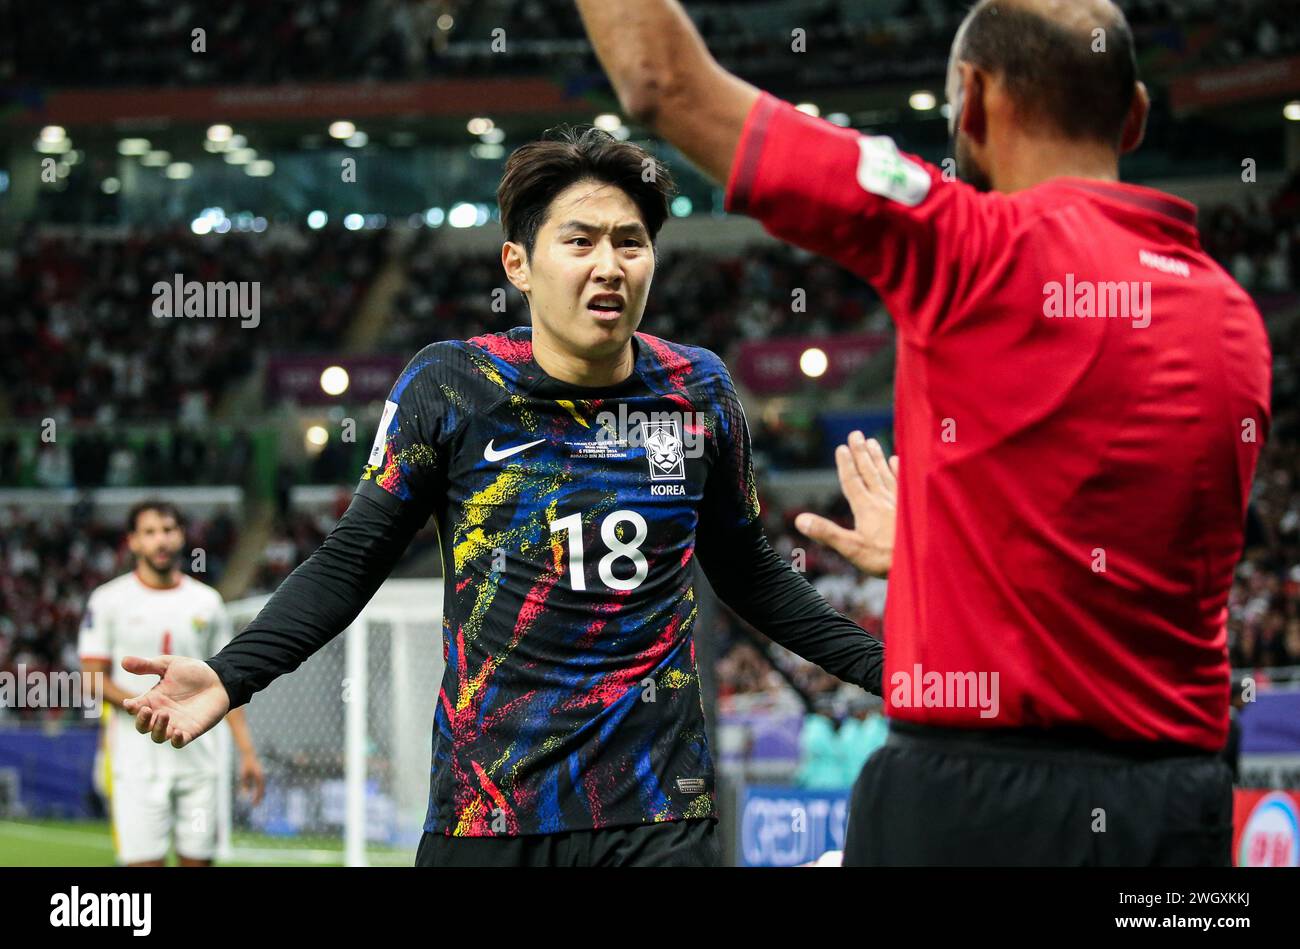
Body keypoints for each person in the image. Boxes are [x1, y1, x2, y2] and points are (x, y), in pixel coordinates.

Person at [577, 0, 1272, 865]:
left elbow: (664, 83)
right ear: (1132, 113)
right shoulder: (1233, 316)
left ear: (972, 104)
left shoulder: (962, 241)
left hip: (972, 802)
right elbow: (1117, 566)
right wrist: (942, 555)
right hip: (1182, 810)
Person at [119, 128, 884, 867]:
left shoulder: (699, 391)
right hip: (488, 809)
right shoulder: (450, 386)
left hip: (656, 810)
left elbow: (749, 569)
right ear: (518, 263)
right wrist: (229, 674)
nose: (610, 265)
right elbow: (353, 559)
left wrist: (890, 669)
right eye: (580, 242)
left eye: (631, 242)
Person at [78, 500, 264, 866]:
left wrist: (247, 752)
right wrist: (147, 704)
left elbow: (227, 686)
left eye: (167, 530)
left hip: (199, 762)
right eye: (149, 532)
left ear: (181, 536)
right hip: (136, 763)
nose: (160, 540)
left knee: (197, 861)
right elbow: (92, 679)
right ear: (133, 541)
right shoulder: (108, 600)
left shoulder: (206, 603)